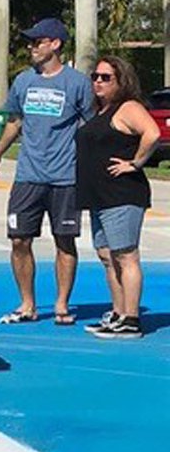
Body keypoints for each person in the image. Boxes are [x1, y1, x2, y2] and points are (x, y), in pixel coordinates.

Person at [0, 18, 94, 326]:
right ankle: (27, 304)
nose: (32, 47)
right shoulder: (23, 81)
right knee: (19, 240)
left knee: (64, 240)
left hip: (65, 178)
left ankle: (61, 304)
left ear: (56, 44)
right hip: (28, 176)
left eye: (38, 41)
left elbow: (90, 126)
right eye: (31, 42)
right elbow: (14, 122)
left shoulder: (77, 83)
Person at [77, 56, 158, 339]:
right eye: (95, 76)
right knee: (107, 257)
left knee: (125, 255)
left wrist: (135, 163)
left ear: (121, 81)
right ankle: (119, 313)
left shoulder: (128, 108)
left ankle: (131, 319)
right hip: (99, 196)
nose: (98, 81)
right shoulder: (101, 111)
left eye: (106, 77)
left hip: (123, 194)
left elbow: (153, 133)